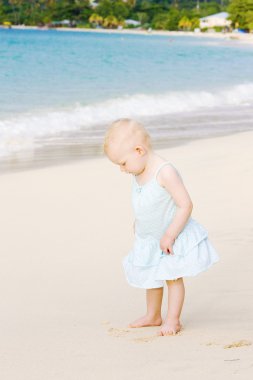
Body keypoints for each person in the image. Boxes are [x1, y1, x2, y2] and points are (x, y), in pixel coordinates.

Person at [103, 118, 219, 336]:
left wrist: (170, 234)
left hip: (171, 236)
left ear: (139, 150)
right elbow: (148, 202)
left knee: (172, 276)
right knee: (151, 276)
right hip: (150, 237)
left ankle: (173, 319)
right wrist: (139, 222)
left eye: (122, 163)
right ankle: (153, 315)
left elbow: (185, 204)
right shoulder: (139, 169)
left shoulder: (165, 172)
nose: (122, 169)